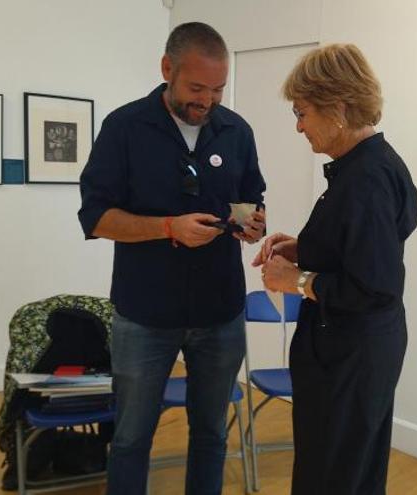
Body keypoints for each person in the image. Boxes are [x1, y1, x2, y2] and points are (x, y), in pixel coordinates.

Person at [77, 22, 266, 495]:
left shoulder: (236, 131)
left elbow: (250, 199)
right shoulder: (124, 127)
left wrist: (251, 223)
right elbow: (96, 217)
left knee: (210, 435)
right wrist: (166, 227)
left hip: (220, 312)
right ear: (167, 69)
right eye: (196, 87)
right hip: (145, 314)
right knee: (132, 438)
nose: (207, 100)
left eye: (218, 89)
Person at [254, 43, 417, 495]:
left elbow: (376, 286)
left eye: (303, 112)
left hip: (349, 356)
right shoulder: (368, 167)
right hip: (356, 352)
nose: (299, 126)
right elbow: (360, 249)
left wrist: (298, 281)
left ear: (338, 107)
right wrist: (304, 247)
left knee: (334, 476)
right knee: (347, 468)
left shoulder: (365, 180)